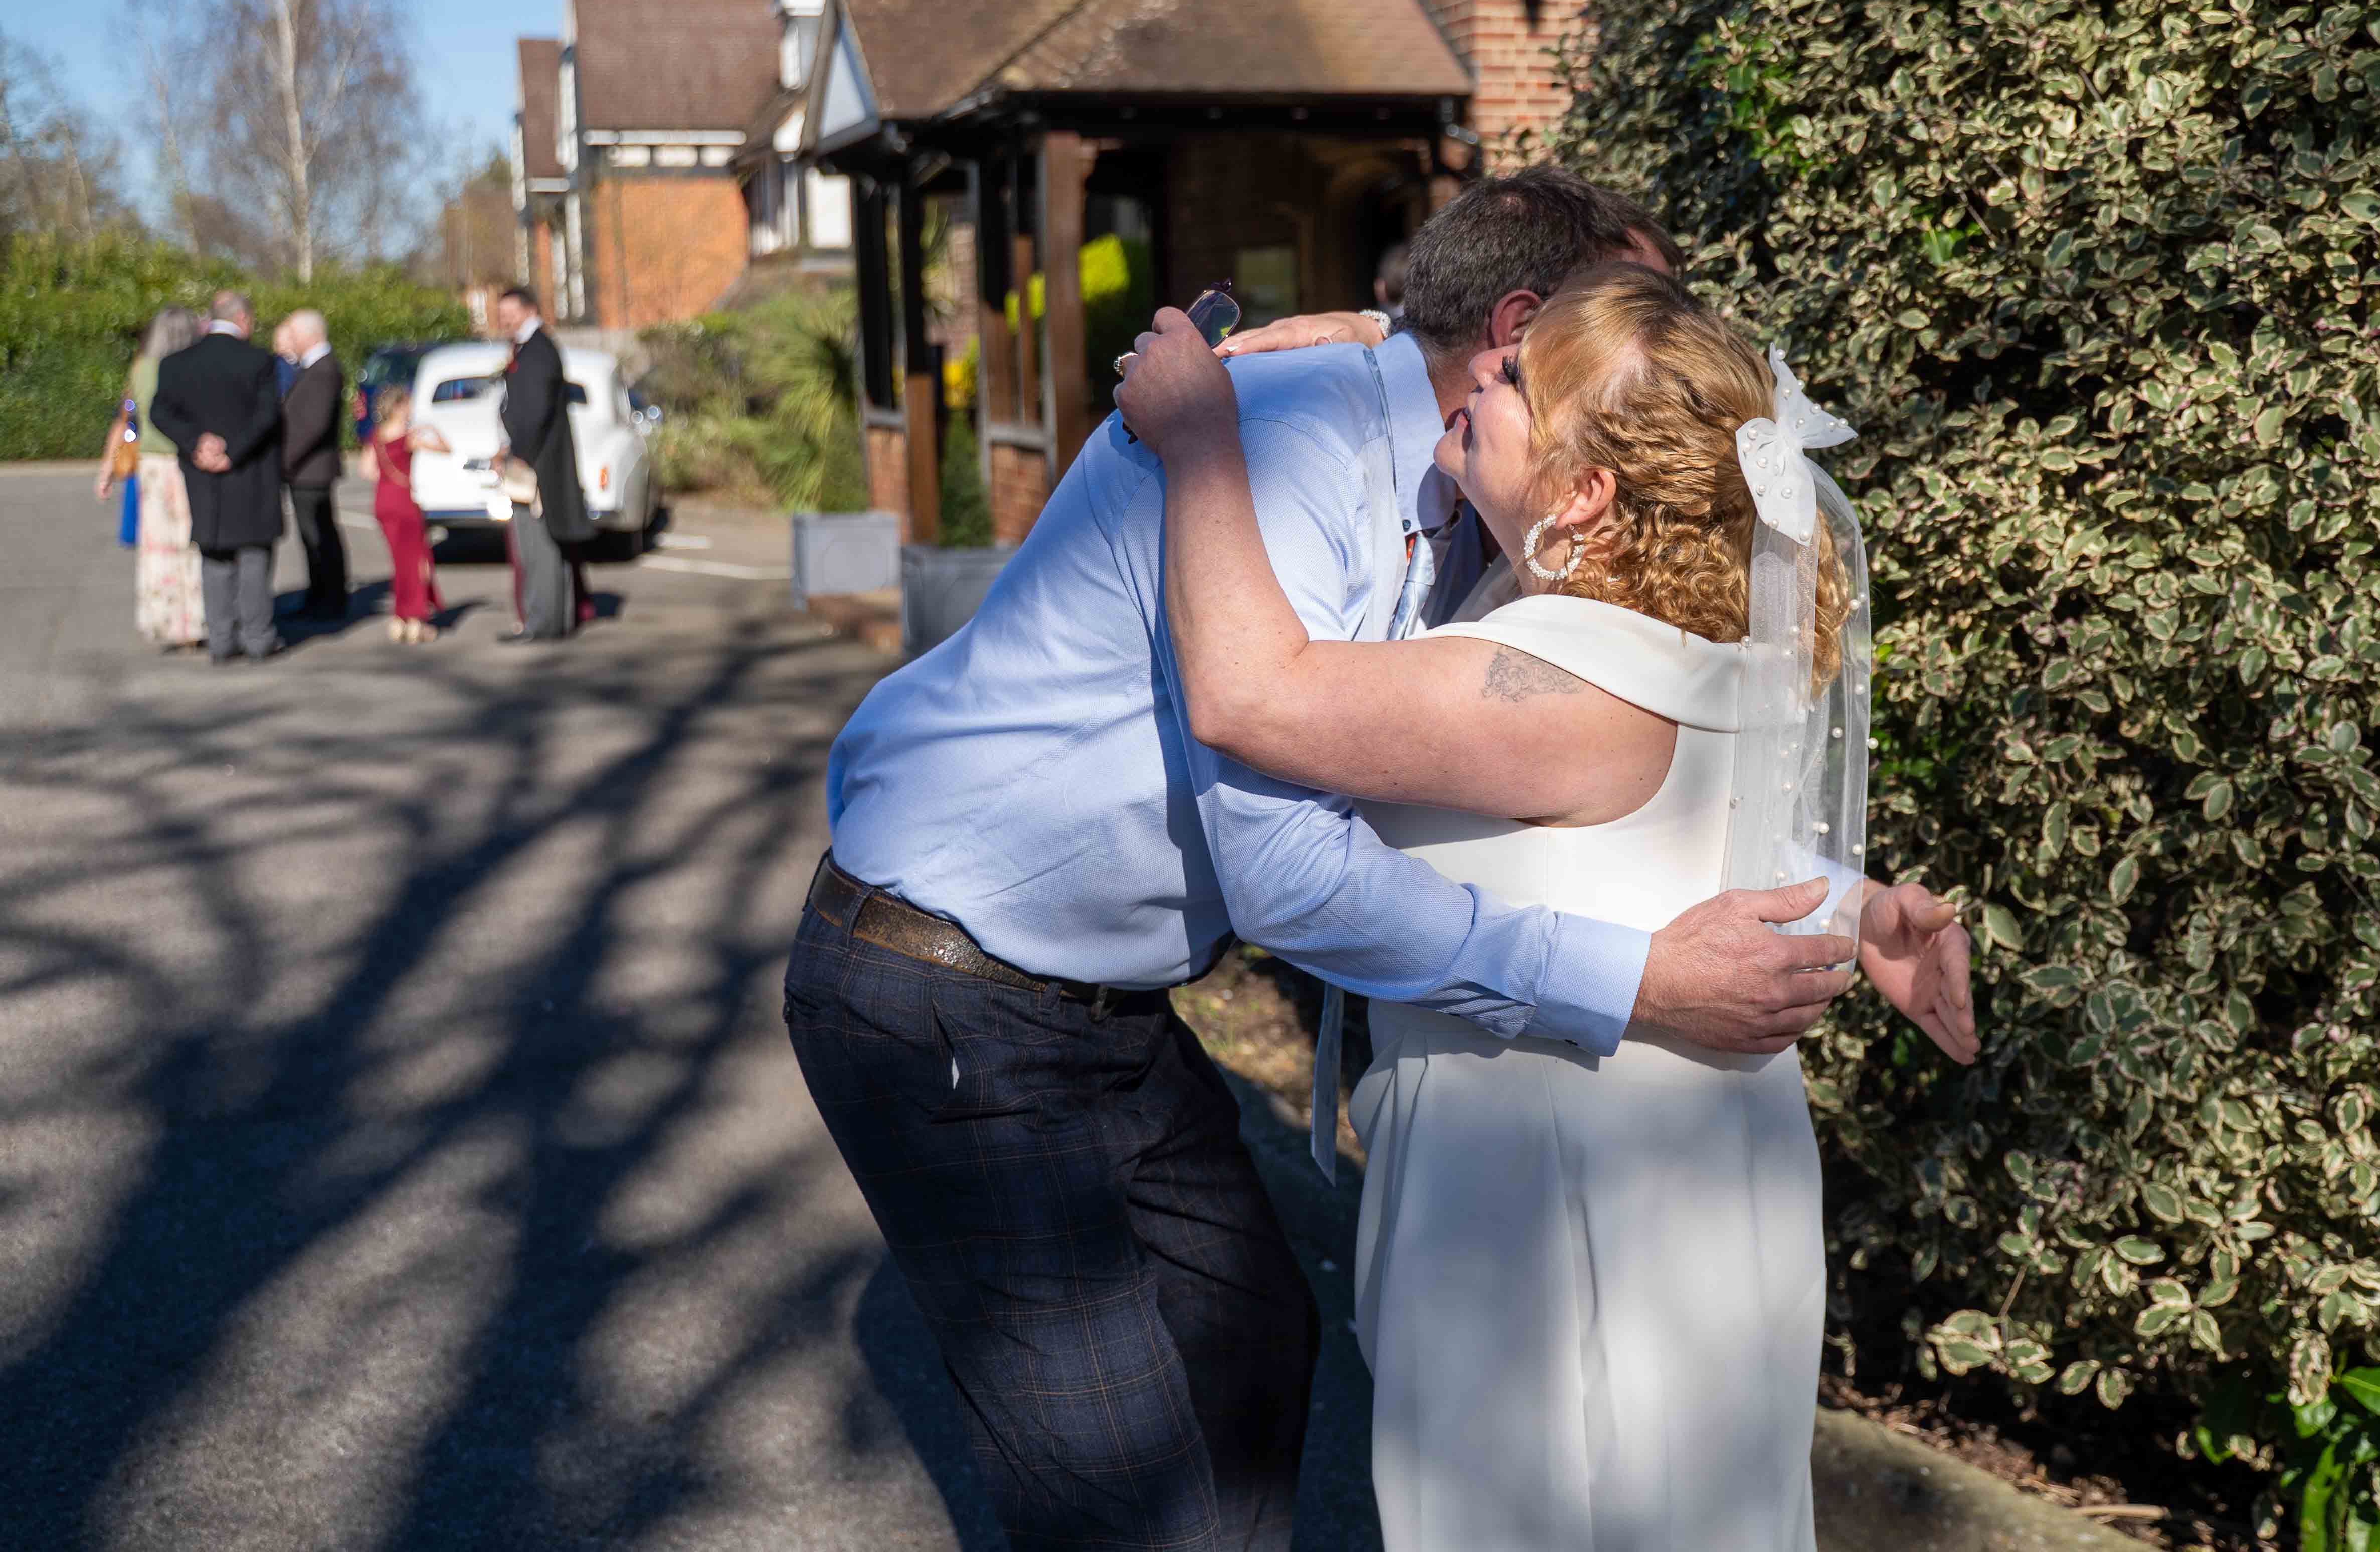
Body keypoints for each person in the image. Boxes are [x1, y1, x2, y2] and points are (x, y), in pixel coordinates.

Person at [793, 167, 1946, 1552]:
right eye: (1573, 336)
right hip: (950, 975)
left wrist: (1267, 402)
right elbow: (1293, 856)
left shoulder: (1536, 583)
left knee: (1261, 1361)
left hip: (1238, 1048)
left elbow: (1298, 705)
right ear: (1517, 327)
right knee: (1130, 1472)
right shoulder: (1324, 462)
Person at [1116, 262, 1973, 1551]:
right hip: (1692, 1184)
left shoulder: (1569, 669)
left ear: (1586, 493)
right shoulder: (1697, 639)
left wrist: (1197, 444)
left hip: (1555, 1207)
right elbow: (1684, 832)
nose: (1478, 371)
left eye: (1515, 380)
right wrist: (1852, 911)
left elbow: (1250, 694)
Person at [151, 290, 285, 665]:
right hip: (250, 473)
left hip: (202, 475)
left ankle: (222, 641)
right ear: (244, 319)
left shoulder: (176, 363)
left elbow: (160, 413)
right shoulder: (259, 361)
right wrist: (232, 450)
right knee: (254, 554)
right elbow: (267, 416)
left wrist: (197, 443)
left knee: (215, 556)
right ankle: (259, 638)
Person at [97, 307, 207, 650]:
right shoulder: (194, 370)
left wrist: (107, 470)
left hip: (153, 466)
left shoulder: (141, 369)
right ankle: (197, 620)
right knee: (193, 543)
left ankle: (164, 619)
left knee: (158, 546)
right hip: (188, 461)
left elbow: (125, 418)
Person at [493, 284, 591, 642]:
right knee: (543, 546)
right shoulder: (533, 349)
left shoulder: (536, 352)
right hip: (540, 463)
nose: (504, 321)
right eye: (501, 315)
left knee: (538, 548)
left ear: (530, 310)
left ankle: (543, 623)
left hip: (537, 468)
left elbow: (533, 414)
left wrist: (514, 455)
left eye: (510, 314)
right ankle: (553, 620)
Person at [361, 386, 448, 642]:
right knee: (418, 561)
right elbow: (445, 449)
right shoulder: (408, 437)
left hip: (383, 501)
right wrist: (432, 431)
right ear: (399, 407)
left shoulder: (376, 436)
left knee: (400, 562)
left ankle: (399, 617)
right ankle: (415, 619)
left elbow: (368, 471)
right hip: (404, 501)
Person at [279, 309, 349, 620]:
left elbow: (313, 426)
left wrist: (285, 461)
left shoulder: (324, 369)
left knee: (320, 536)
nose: (289, 341)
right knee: (314, 537)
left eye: (293, 334)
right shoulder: (316, 367)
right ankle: (320, 595)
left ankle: (329, 599)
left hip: (311, 469)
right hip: (307, 468)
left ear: (310, 335)